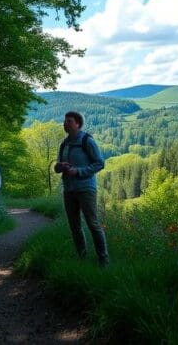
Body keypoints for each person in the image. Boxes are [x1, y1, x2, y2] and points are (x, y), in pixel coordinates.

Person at [54, 111, 109, 266]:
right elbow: (56, 168)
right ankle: (82, 258)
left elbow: (100, 163)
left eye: (69, 121)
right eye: (64, 121)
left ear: (78, 123)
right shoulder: (63, 144)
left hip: (86, 189)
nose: (65, 123)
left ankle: (103, 260)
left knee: (93, 224)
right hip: (69, 190)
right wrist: (60, 166)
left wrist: (79, 171)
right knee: (74, 226)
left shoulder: (87, 140)